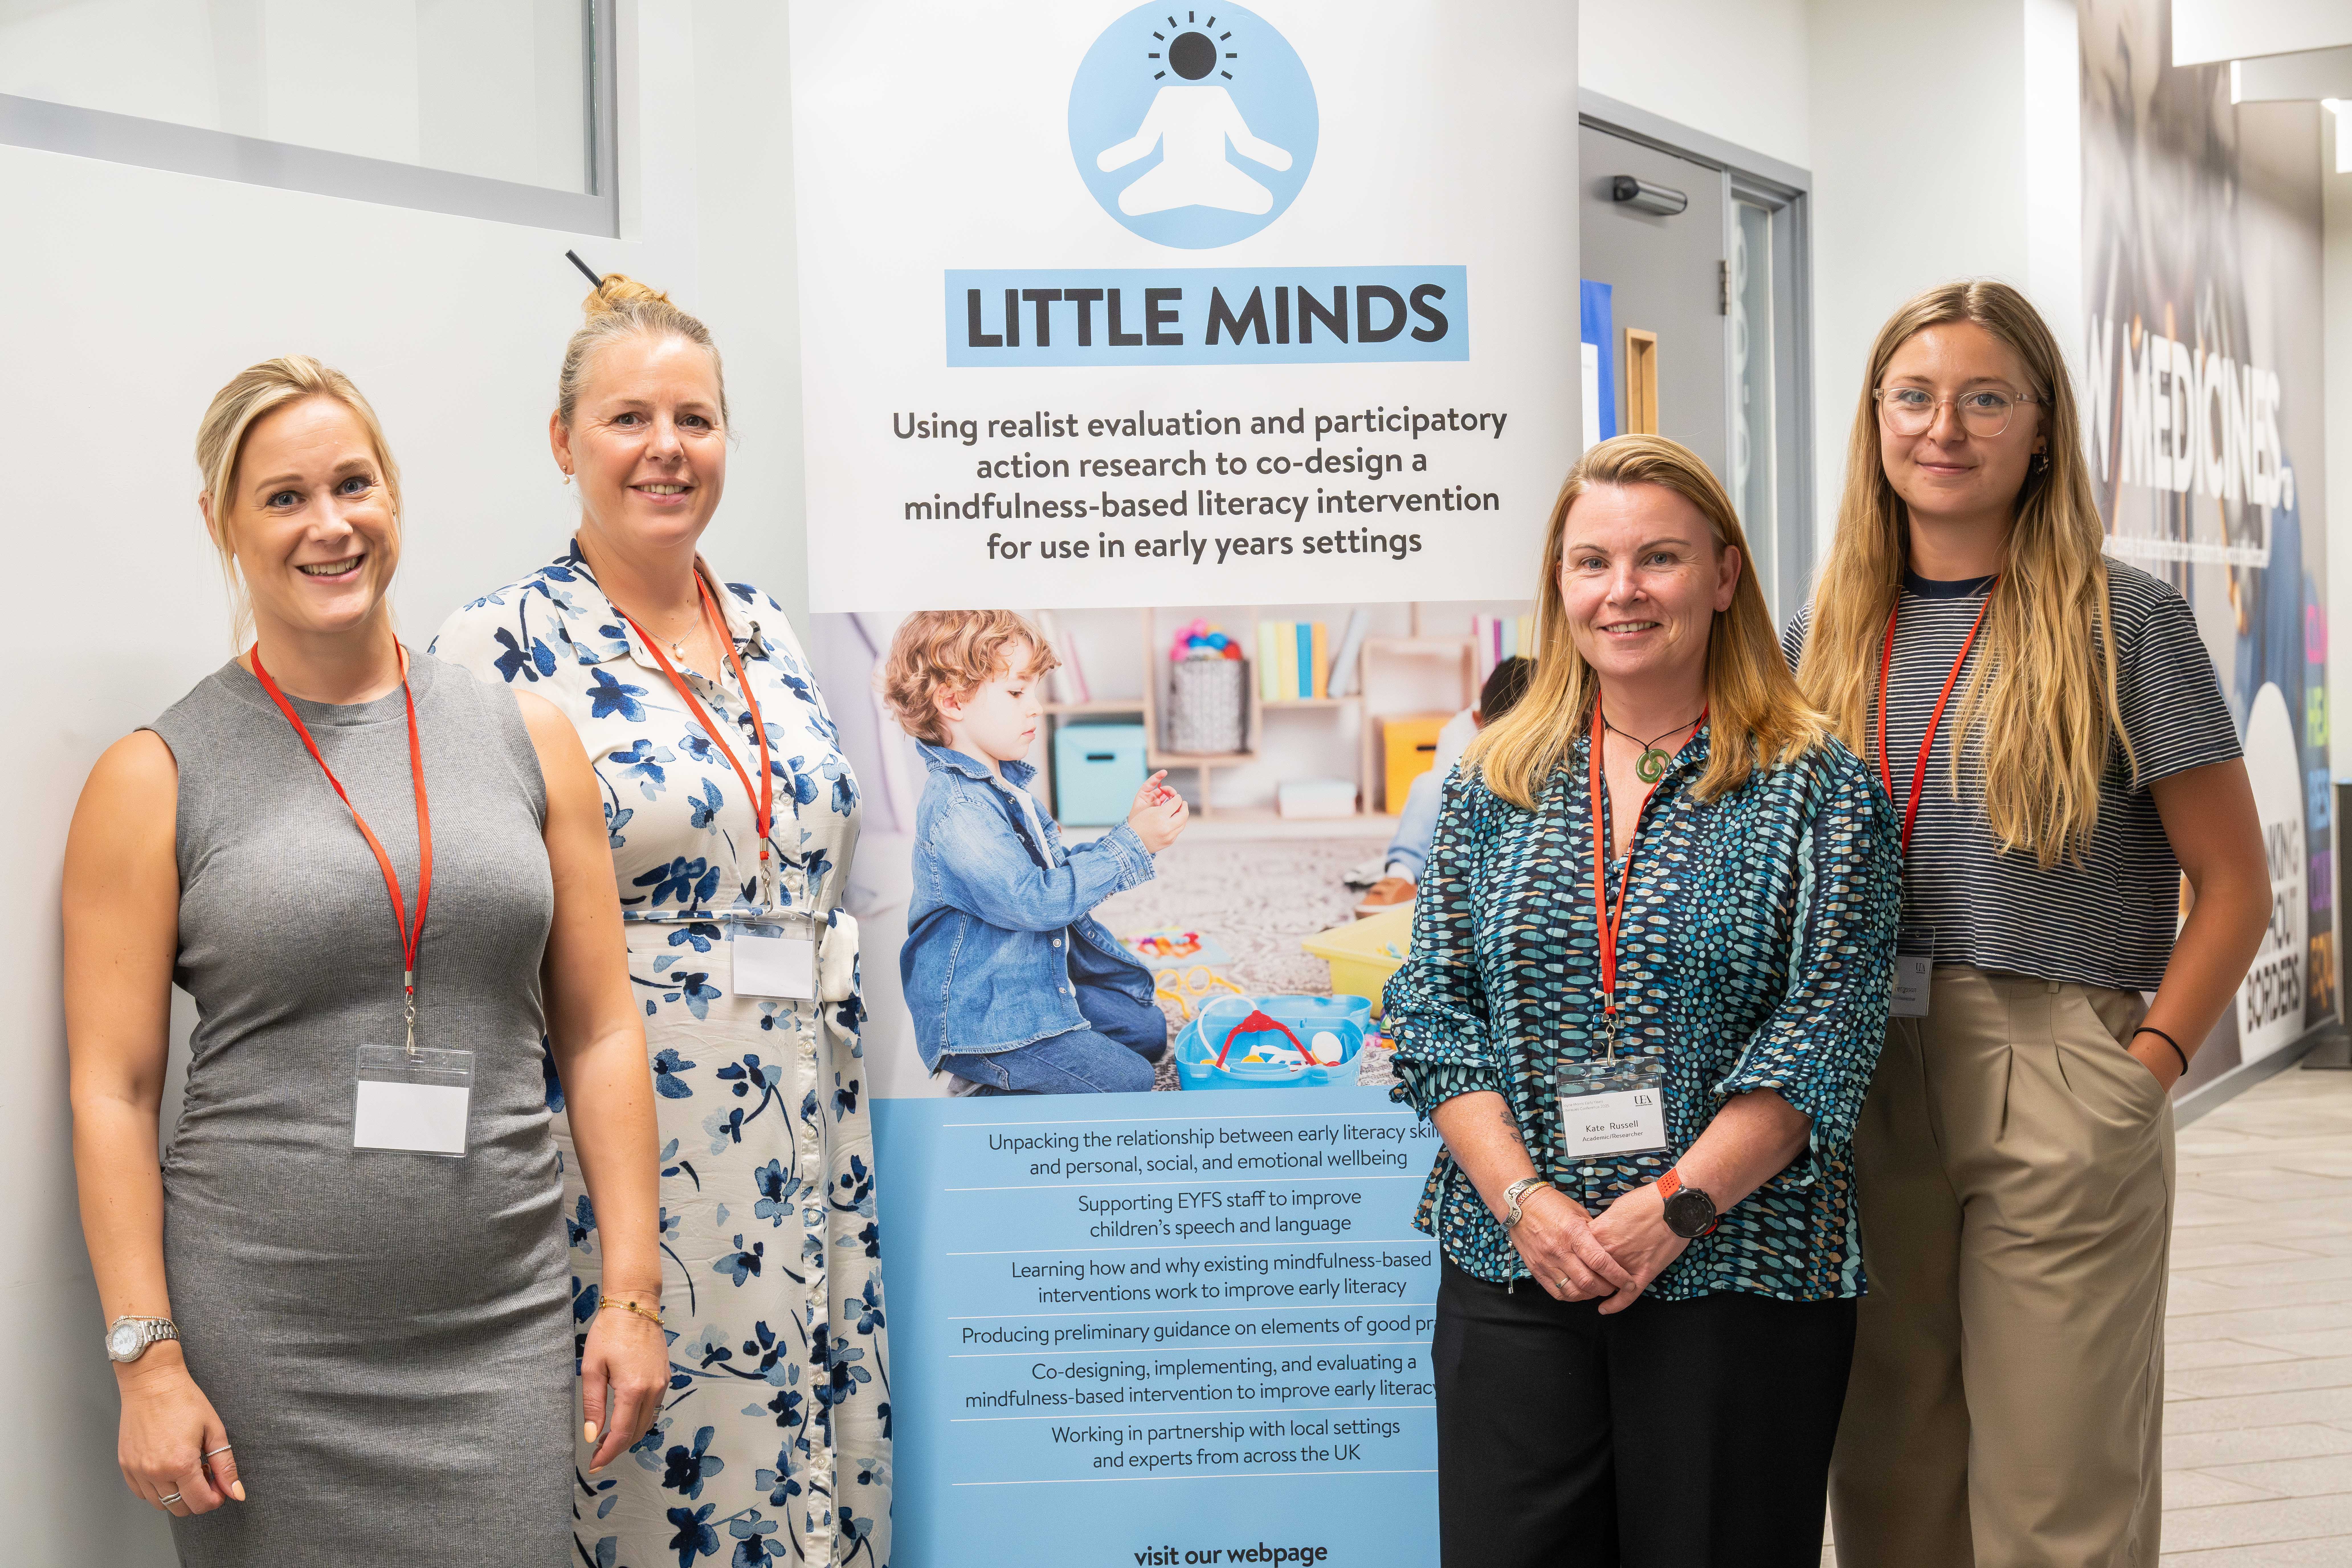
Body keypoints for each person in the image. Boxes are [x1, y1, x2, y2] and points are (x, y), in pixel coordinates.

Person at [64, 356, 666, 1564]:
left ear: (394, 494)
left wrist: (634, 1295)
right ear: (221, 523)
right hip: (263, 1347)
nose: (329, 524)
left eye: (354, 484)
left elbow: (601, 1030)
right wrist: (148, 1356)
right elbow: (114, 1090)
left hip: (495, 1325)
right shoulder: (157, 774)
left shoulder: (526, 738)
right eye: (284, 497)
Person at [1789, 280, 2270, 1568]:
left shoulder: (2126, 624)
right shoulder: (1817, 636)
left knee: (2055, 1487)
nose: (1942, 427)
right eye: (1914, 396)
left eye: (1983, 398)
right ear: (1873, 421)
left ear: (2040, 428)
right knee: (1883, 1477)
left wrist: (2144, 1070)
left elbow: (2232, 883)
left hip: (2055, 1060)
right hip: (1854, 1073)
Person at [432, 277, 890, 1566]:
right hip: (638, 1147)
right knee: (659, 1479)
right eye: (628, 417)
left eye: (694, 417)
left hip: (810, 1130)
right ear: (563, 440)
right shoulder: (493, 646)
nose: (665, 448)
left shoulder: (764, 627)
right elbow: (460, 928)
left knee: (810, 1462)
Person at [1384, 433, 1901, 1568]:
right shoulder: (1492, 779)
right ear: (1560, 585)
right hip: (1517, 1257)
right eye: (1592, 562)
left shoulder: (1819, 784)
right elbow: (1431, 1013)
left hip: (1745, 1264)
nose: (1622, 590)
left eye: (1658, 558)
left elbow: (1826, 1033)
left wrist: (1673, 1204)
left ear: (1724, 578)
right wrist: (1524, 1199)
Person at [880, 610, 1189, 1093]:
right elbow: (1038, 900)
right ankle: (984, 1084)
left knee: (1148, 1029)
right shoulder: (957, 810)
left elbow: (1054, 871)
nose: (1035, 708)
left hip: (1026, 981)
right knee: (1131, 1080)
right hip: (991, 1019)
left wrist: (1131, 832)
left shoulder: (1004, 784)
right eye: (1017, 692)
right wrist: (1130, 846)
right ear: (952, 700)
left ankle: (1024, 1065)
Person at [1357, 655, 1532, 916]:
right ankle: (1402, 875)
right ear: (1478, 720)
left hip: (1523, 845)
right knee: (1429, 784)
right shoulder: (1458, 733)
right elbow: (1447, 808)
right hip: (1467, 837)